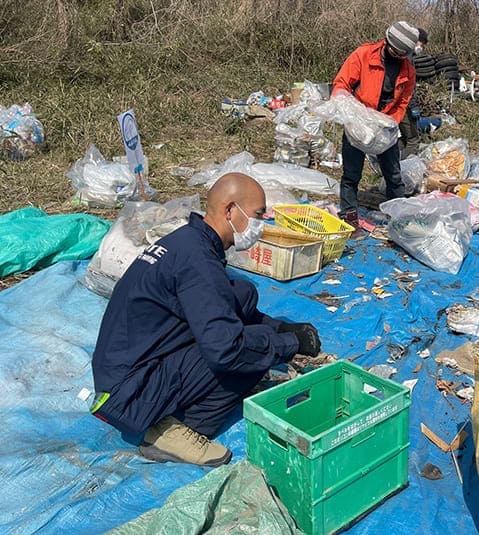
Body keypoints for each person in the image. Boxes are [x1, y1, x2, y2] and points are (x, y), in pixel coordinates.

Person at [91, 173, 322, 467]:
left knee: (242, 296)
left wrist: (280, 327)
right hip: (130, 392)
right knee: (247, 357)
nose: (260, 227)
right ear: (230, 210)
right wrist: (287, 344)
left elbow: (224, 305)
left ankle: (173, 406)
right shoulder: (197, 261)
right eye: (257, 216)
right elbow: (227, 349)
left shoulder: (189, 242)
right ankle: (174, 429)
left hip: (126, 369)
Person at [333, 21, 418, 234]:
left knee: (394, 175)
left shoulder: (408, 70)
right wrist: (350, 112)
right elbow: (342, 84)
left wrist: (390, 123)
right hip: (357, 124)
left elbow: (403, 101)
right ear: (387, 42)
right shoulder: (364, 55)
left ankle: (399, 220)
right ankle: (349, 217)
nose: (397, 56)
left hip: (384, 127)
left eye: (402, 54)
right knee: (351, 175)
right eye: (394, 51)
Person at [399, 27, 428, 160]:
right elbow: (408, 86)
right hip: (404, 104)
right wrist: (413, 105)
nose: (421, 48)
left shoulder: (400, 53)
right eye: (422, 44)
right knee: (413, 139)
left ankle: (391, 162)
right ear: (417, 41)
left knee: (403, 137)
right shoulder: (408, 58)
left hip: (395, 103)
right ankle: (402, 170)